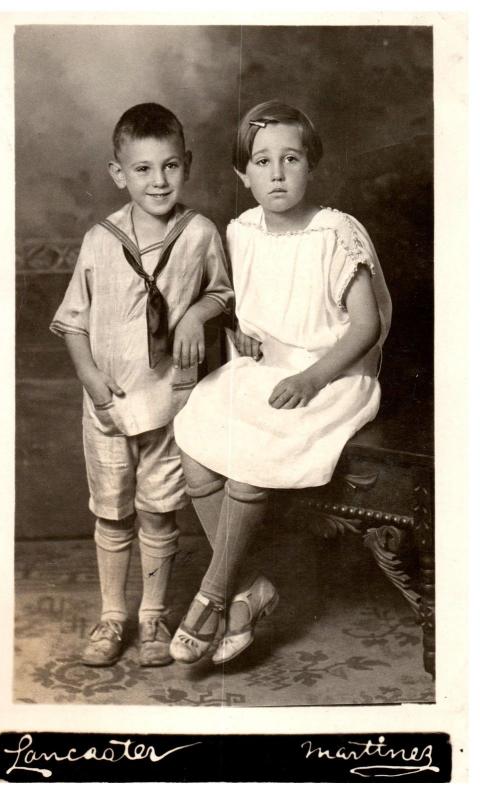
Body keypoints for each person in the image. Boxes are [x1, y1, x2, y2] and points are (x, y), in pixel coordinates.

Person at [171, 100, 392, 666]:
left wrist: (314, 376)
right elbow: (257, 311)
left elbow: (365, 326)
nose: (276, 173)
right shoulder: (242, 229)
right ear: (242, 175)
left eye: (290, 158)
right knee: (196, 447)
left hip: (333, 373)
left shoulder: (334, 231)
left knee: (250, 457)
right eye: (262, 161)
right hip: (269, 369)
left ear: (310, 165)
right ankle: (249, 592)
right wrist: (245, 338)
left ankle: (217, 596)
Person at [50, 103, 233, 668]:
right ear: (118, 173)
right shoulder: (100, 239)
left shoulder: (199, 233)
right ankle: (113, 616)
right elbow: (74, 321)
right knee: (112, 510)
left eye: (171, 167)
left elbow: (222, 295)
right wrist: (91, 379)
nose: (159, 181)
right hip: (109, 400)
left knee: (159, 509)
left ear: (188, 165)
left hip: (171, 399)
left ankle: (153, 616)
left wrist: (196, 316)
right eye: (143, 169)